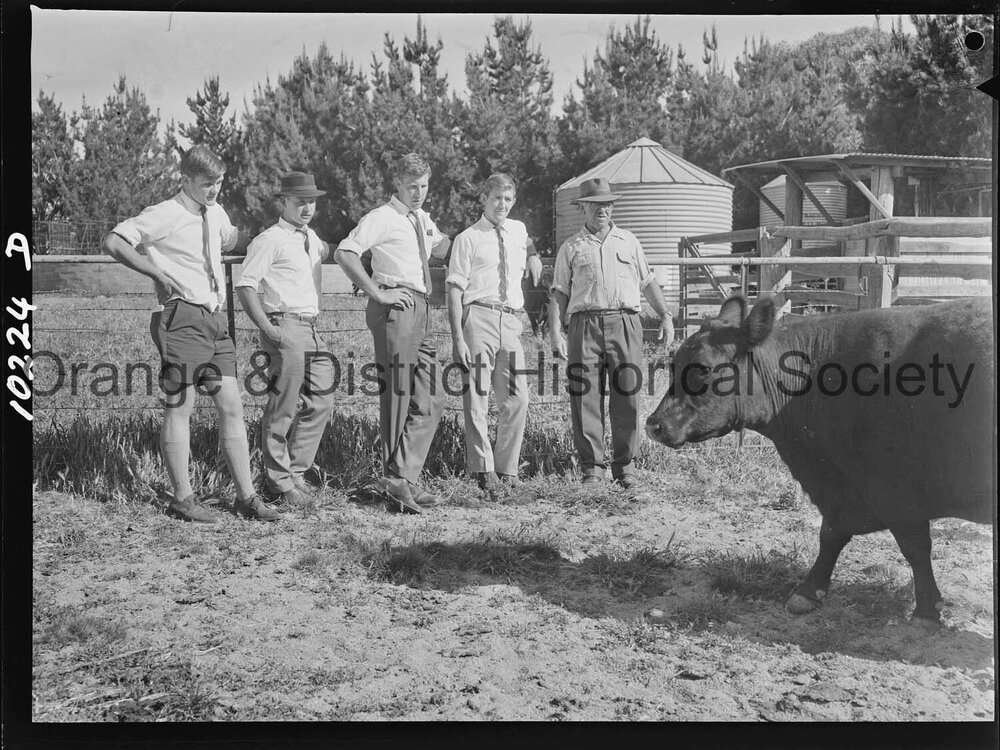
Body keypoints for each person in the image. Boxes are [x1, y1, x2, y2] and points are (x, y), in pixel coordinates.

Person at [103, 145, 282, 522]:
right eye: (206, 184)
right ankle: (183, 499)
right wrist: (156, 273)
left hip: (215, 320)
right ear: (185, 179)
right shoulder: (166, 212)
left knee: (232, 406)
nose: (214, 190)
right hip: (180, 317)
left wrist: (254, 231)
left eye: (218, 182)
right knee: (181, 406)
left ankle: (246, 498)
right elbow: (115, 241)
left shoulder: (215, 210)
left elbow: (229, 239)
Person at [333, 153, 450, 514]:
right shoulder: (381, 217)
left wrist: (520, 244)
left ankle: (401, 477)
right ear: (397, 184)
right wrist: (378, 293)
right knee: (397, 395)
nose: (419, 193)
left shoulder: (421, 219)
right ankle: (395, 482)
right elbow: (345, 252)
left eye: (424, 185)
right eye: (412, 186)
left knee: (432, 395)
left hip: (421, 307)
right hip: (394, 306)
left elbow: (446, 246)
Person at [548, 177, 674, 490]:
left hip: (625, 324)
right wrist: (555, 331)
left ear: (612, 206)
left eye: (606, 203)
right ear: (581, 208)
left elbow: (647, 282)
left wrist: (666, 316)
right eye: (594, 204)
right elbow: (560, 292)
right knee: (585, 396)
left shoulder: (629, 242)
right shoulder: (571, 248)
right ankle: (593, 470)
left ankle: (625, 468)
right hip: (584, 326)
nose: (601, 209)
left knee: (627, 395)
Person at [235, 172, 335, 508]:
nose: (307, 207)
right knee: (284, 406)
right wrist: (269, 328)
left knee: (322, 400)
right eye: (300, 201)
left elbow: (324, 252)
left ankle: (296, 472)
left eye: (312, 201)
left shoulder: (311, 237)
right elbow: (245, 285)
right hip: (284, 326)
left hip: (311, 327)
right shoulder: (270, 239)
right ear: (283, 203)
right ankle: (279, 484)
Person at [446, 173, 543, 495]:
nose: (502, 204)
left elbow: (526, 243)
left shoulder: (518, 230)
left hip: (511, 322)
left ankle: (507, 468)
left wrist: (534, 255)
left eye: (508, 199)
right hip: (479, 317)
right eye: (496, 198)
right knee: (477, 397)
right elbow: (454, 289)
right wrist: (458, 336)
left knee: (517, 398)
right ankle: (483, 469)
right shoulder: (468, 238)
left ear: (513, 201)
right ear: (484, 199)